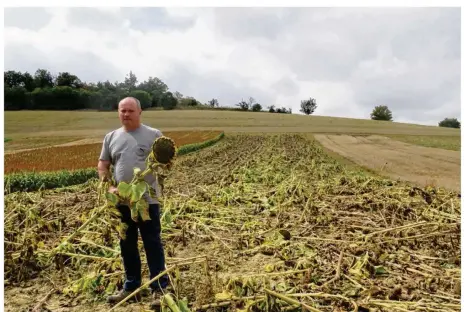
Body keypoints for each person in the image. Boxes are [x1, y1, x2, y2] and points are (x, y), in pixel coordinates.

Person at [97, 97, 169, 307]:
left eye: (130, 110)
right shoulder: (111, 137)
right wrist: (109, 186)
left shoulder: (154, 135)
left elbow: (165, 161)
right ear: (118, 113)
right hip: (123, 202)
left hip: (147, 201)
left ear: (140, 112)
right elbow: (103, 164)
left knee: (152, 243)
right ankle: (131, 287)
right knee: (126, 245)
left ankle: (159, 287)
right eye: (122, 111)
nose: (126, 114)